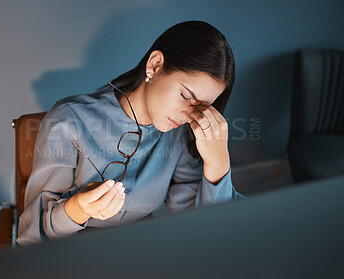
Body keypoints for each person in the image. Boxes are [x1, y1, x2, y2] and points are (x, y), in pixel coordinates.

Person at [17, 20, 245, 246]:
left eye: (201, 107)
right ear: (154, 65)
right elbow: (31, 237)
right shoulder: (69, 121)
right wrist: (78, 208)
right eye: (185, 96)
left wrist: (218, 165)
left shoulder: (178, 132)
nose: (188, 114)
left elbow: (207, 228)